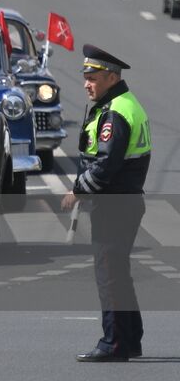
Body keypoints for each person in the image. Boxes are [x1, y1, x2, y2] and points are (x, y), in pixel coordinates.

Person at [62, 45, 151, 363]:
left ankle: (114, 343)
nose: (87, 83)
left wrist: (78, 191)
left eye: (93, 77)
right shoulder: (121, 104)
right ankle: (130, 339)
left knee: (109, 274)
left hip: (114, 205)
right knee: (119, 272)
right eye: (85, 77)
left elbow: (105, 165)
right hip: (126, 202)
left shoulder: (115, 113)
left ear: (112, 78)